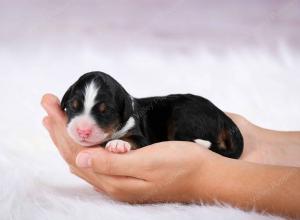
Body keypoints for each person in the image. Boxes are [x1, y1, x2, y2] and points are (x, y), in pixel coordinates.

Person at [41, 94, 300, 219]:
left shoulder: (133, 121)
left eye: (102, 113)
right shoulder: (131, 115)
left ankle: (208, 142)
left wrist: (205, 176)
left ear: (123, 108)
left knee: (182, 116)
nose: (85, 127)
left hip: (191, 113)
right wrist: (257, 144)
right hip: (208, 120)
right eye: (74, 109)